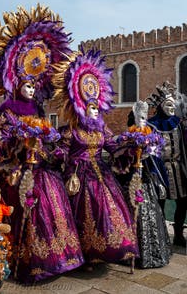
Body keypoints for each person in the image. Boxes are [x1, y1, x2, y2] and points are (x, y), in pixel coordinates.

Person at [0, 4, 84, 283]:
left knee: (53, 203)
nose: (31, 89)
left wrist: (48, 145)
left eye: (33, 85)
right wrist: (21, 143)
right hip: (18, 168)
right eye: (27, 85)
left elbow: (50, 138)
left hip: (40, 168)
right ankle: (27, 261)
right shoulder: (7, 109)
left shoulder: (40, 112)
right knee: (26, 207)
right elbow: (1, 140)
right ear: (17, 84)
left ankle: (60, 259)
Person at [53, 49, 139, 269]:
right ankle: (86, 255)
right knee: (84, 215)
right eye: (91, 108)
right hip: (78, 178)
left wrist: (134, 146)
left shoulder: (102, 131)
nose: (95, 112)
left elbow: (114, 147)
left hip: (101, 175)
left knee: (110, 211)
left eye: (96, 108)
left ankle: (111, 249)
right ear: (82, 108)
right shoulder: (71, 130)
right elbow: (60, 151)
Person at [117, 101, 171, 268]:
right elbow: (120, 162)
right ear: (134, 117)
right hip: (132, 183)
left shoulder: (150, 136)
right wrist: (132, 155)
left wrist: (160, 181)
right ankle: (130, 253)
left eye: (145, 117)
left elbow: (156, 163)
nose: (143, 120)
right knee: (131, 214)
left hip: (146, 182)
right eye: (140, 117)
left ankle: (152, 252)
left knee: (151, 214)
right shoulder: (128, 137)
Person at [147, 81, 187, 247]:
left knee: (183, 202)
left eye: (173, 105)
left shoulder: (178, 124)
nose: (171, 108)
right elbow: (151, 152)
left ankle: (178, 234)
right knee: (160, 203)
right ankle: (161, 235)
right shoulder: (152, 125)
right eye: (168, 104)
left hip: (178, 168)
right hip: (161, 169)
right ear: (161, 106)